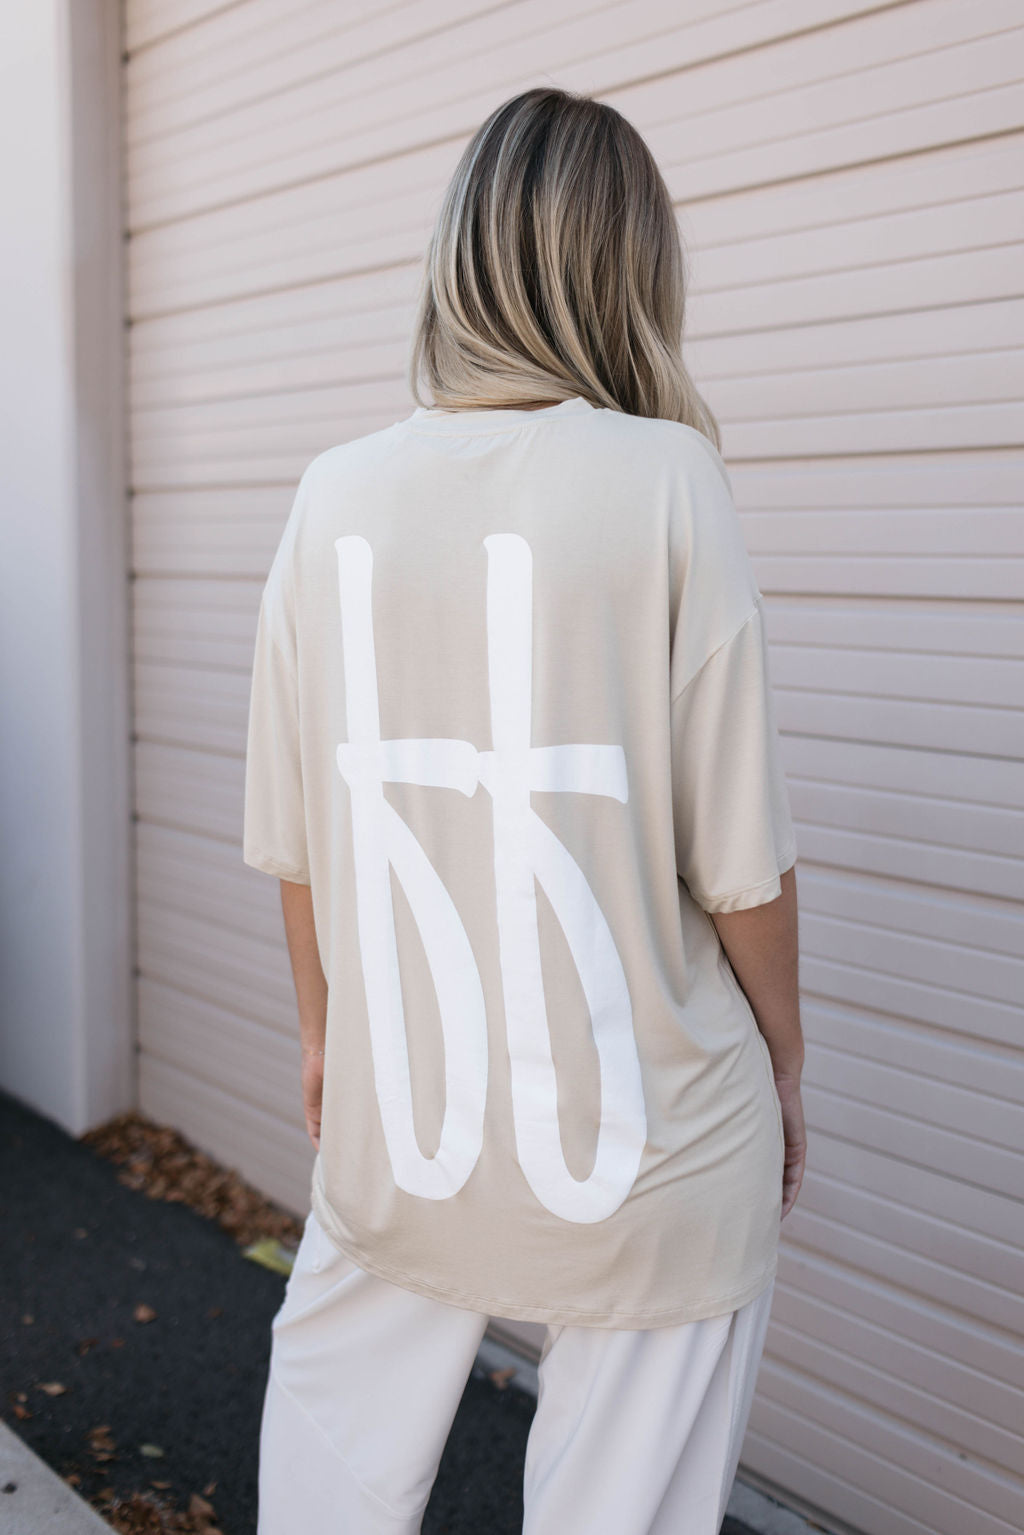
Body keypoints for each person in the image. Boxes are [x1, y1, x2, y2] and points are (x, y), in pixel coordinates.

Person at [243, 85, 806, 1535]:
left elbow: (298, 830)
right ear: (631, 270)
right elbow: (738, 865)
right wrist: (788, 1072)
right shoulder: (672, 480)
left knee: (326, 1475)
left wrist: (324, 1037)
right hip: (651, 1138)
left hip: (402, 1117)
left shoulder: (331, 495)